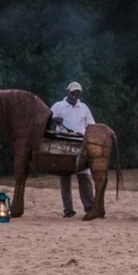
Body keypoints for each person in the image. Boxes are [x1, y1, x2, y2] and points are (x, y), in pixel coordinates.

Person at [51, 81, 96, 218]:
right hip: (63, 144)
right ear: (68, 92)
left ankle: (89, 207)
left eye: (78, 93)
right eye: (73, 92)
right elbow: (47, 119)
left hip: (80, 144)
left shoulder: (83, 108)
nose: (75, 95)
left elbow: (91, 125)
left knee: (84, 176)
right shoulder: (58, 106)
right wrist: (55, 119)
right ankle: (68, 210)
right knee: (65, 177)